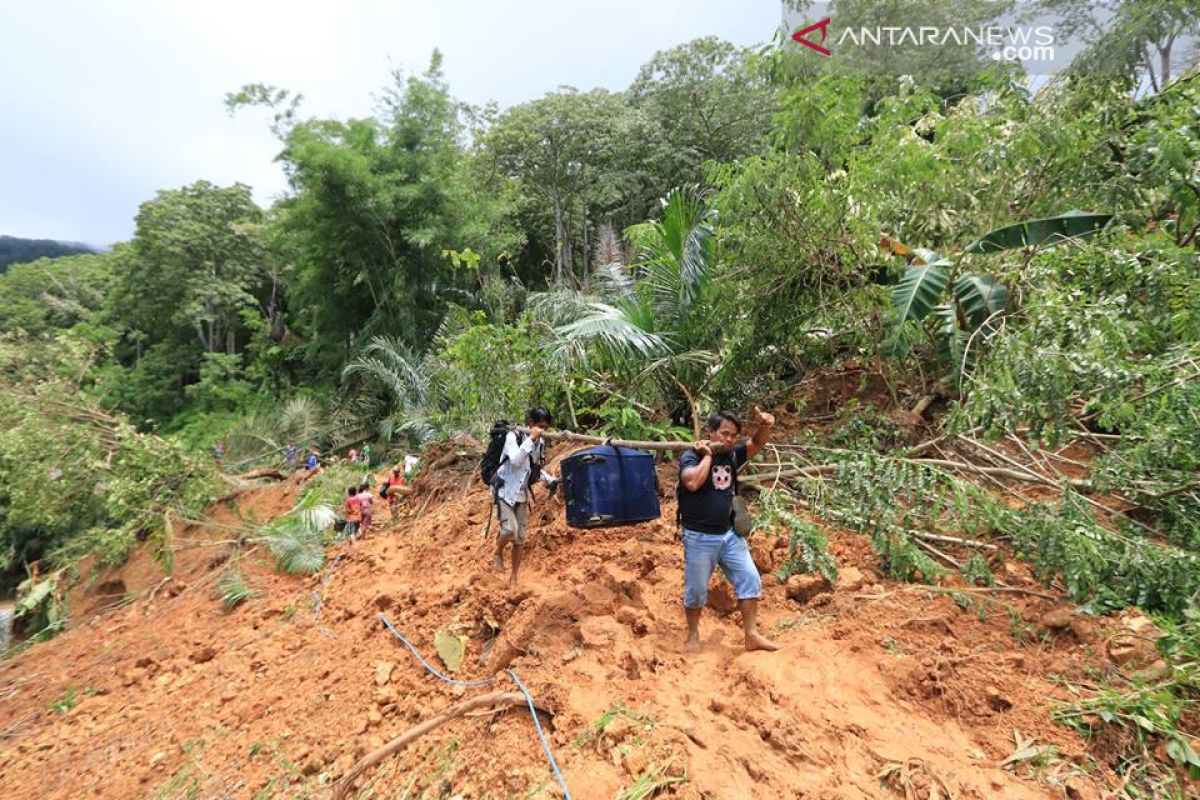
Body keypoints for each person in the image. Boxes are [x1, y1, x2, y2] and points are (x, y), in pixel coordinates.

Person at [678, 406, 779, 654]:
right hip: (699, 536)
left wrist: (765, 425)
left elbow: (755, 444)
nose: (729, 439)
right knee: (696, 589)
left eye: (733, 435)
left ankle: (751, 635)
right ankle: (692, 634)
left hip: (729, 534)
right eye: (724, 433)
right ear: (712, 432)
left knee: (750, 578)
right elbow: (692, 482)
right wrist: (708, 455)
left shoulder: (733, 454)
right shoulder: (690, 456)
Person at [492, 406, 559, 588]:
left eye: (545, 427)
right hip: (505, 490)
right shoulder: (513, 436)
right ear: (530, 423)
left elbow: (534, 468)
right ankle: (497, 552)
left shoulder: (540, 443)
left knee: (520, 539)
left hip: (522, 494)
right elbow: (515, 460)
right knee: (509, 530)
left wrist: (548, 479)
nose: (542, 430)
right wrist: (530, 439)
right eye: (539, 425)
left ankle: (514, 576)